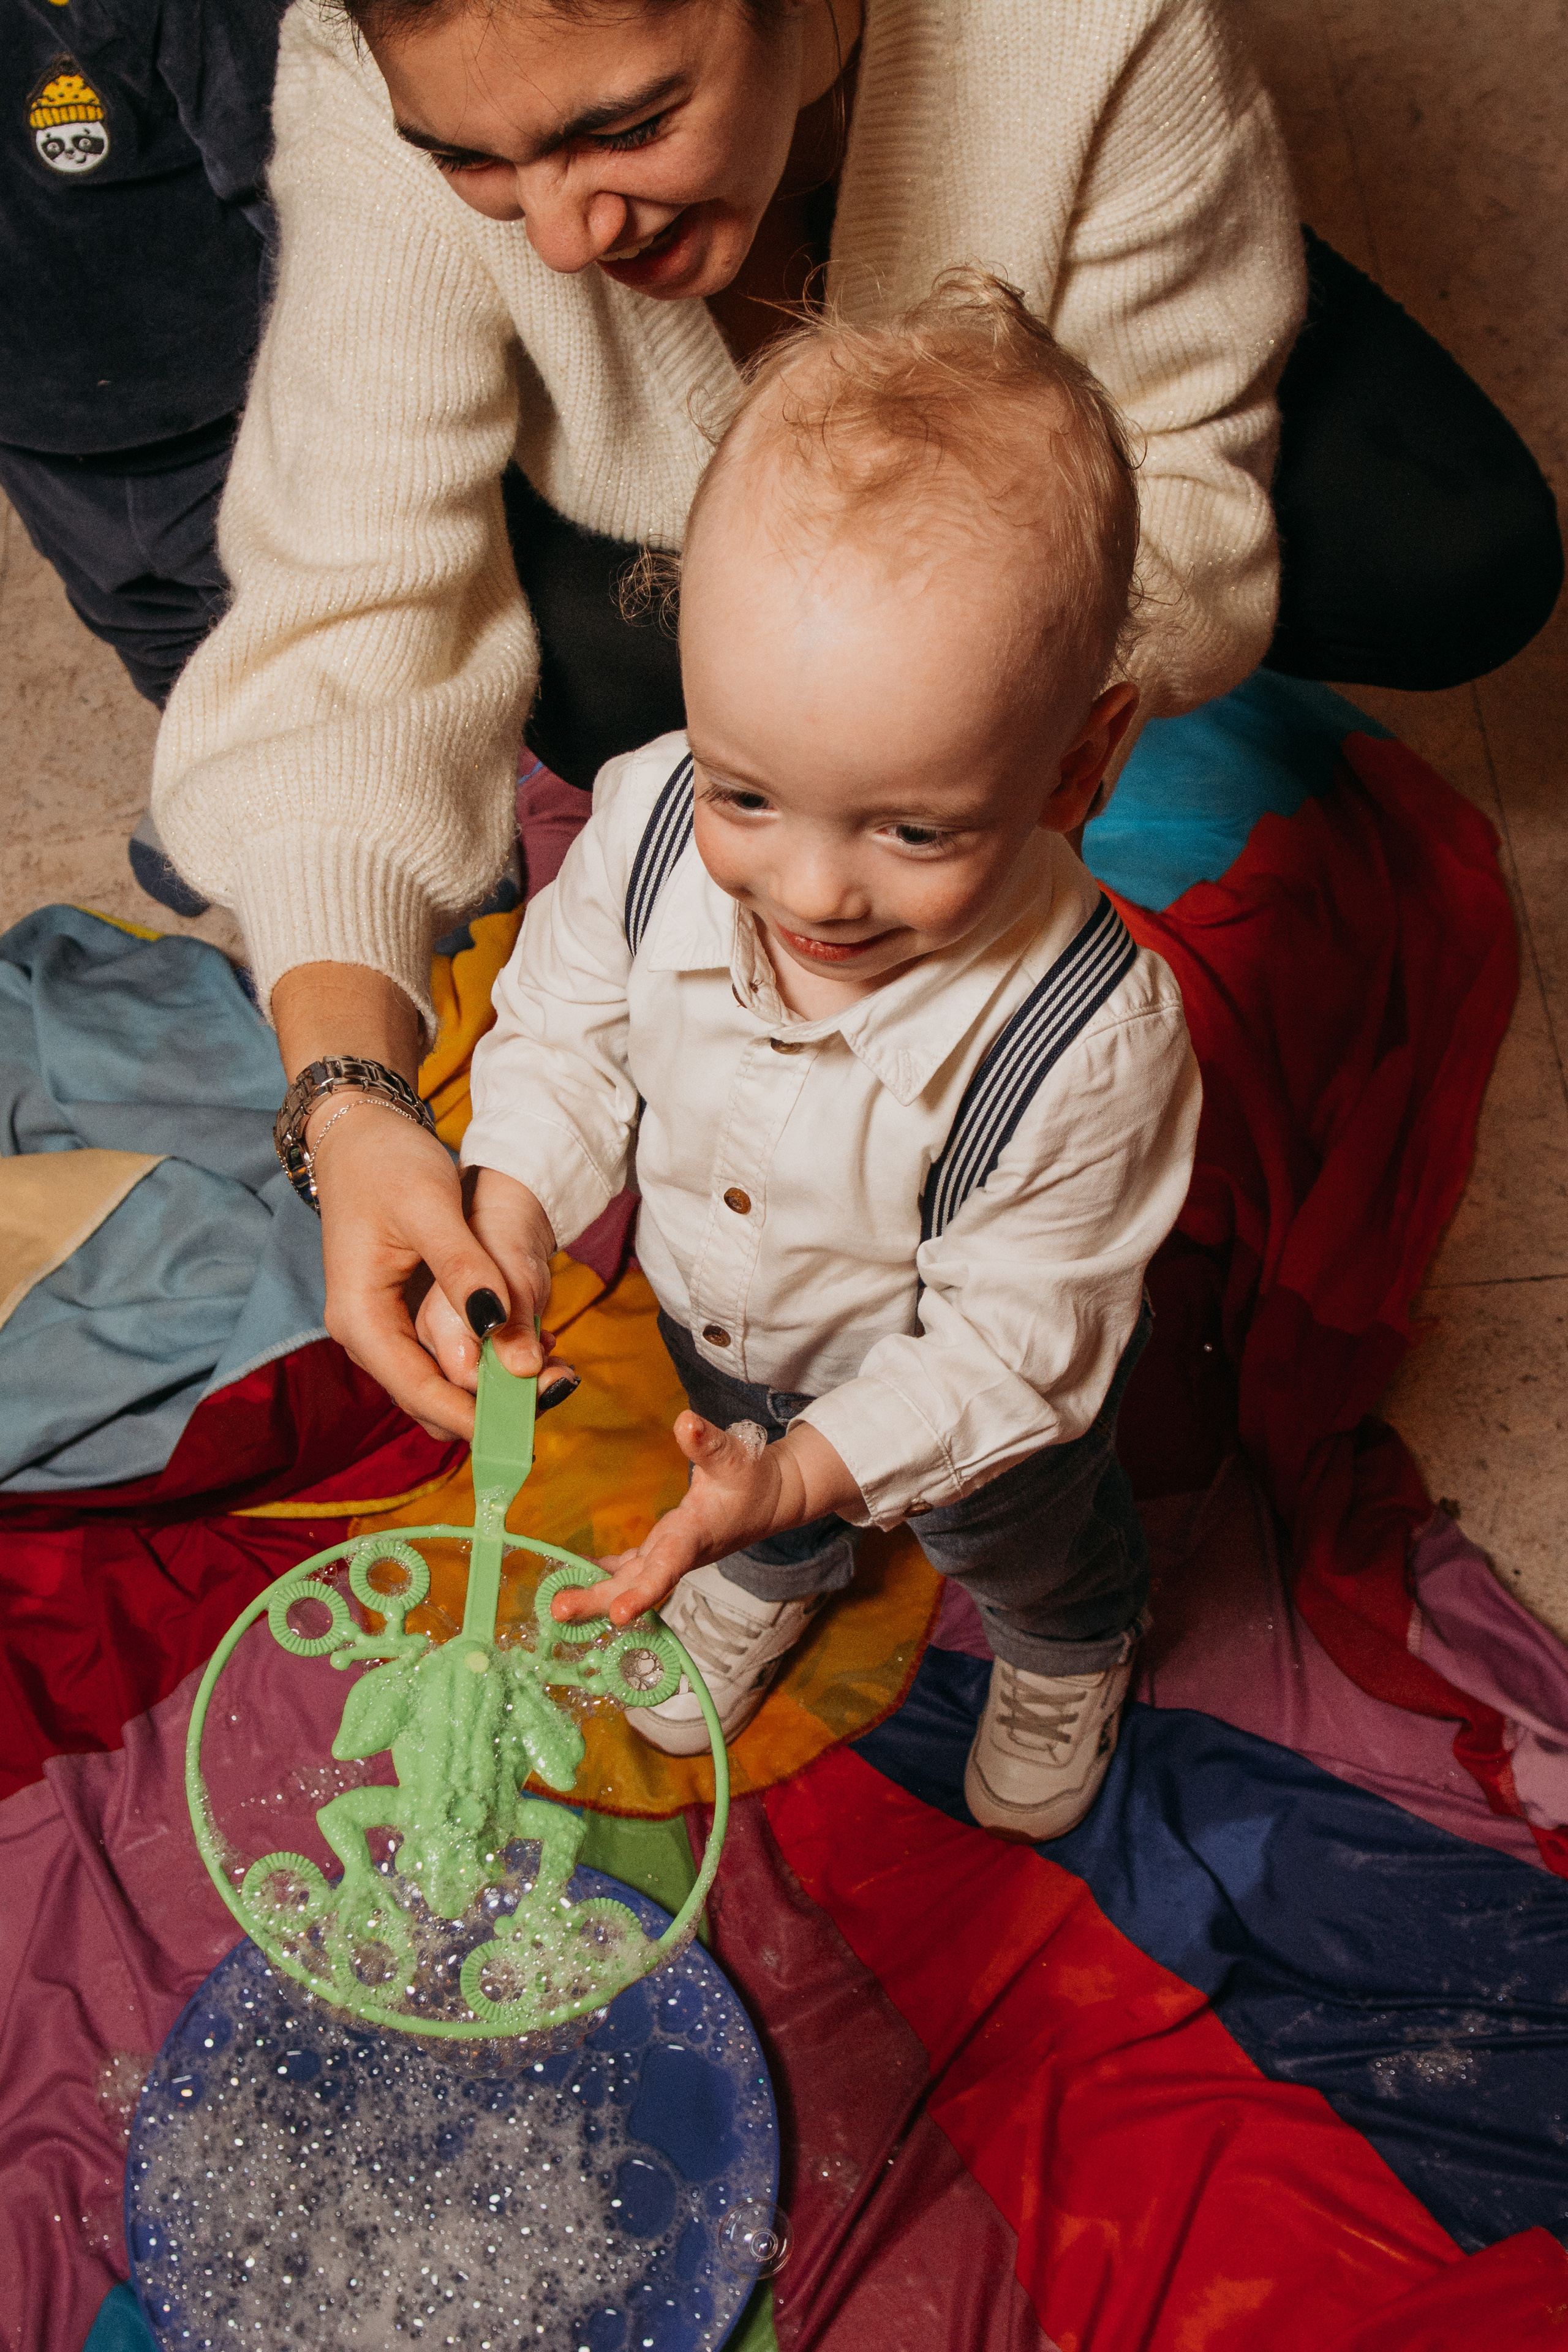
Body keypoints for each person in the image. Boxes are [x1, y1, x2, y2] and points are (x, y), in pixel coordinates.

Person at [149, 0, 1556, 1441]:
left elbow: (1180, 476)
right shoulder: (365, 56)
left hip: (1080, 477)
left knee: (1461, 555)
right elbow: (349, 610)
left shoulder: (1090, 31)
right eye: (471, 160)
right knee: (602, 666)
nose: (561, 241)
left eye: (627, 124)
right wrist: (351, 1098)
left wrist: (959, 682)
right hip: (697, 570)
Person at [417, 279, 1201, 1838]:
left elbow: (1014, 1347)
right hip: (723, 1315)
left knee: (1020, 1535)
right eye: (750, 794)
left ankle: (1067, 1644)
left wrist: (813, 1466)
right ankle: (767, 1561)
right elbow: (568, 1028)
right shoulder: (648, 818)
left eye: (913, 829)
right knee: (731, 1446)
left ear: (1079, 763)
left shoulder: (1088, 1044)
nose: (812, 890)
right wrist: (509, 1201)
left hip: (964, 1398)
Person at [1, 0, 290, 914]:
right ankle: (214, 757)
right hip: (37, 422)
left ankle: (400, 798)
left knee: (309, 621)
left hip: (227, 399)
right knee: (146, 623)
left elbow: (287, 173)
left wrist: (328, 385)